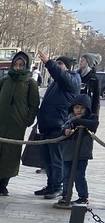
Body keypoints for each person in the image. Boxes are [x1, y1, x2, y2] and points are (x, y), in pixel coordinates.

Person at [0, 51, 39, 195]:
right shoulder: (4, 81)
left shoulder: (30, 83)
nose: (18, 68)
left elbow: (34, 104)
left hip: (16, 125)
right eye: (16, 64)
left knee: (10, 154)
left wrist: (27, 120)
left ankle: (4, 183)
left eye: (21, 65)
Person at [34, 51, 81, 198]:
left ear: (67, 67)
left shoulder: (72, 80)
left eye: (60, 64)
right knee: (47, 160)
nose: (58, 67)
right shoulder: (56, 83)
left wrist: (49, 63)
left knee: (56, 159)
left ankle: (58, 187)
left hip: (58, 125)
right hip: (47, 125)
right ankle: (50, 185)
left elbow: (61, 75)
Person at [55, 92, 98, 207]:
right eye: (77, 107)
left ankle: (83, 196)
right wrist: (64, 132)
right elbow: (60, 131)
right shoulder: (68, 119)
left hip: (82, 153)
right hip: (68, 152)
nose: (79, 110)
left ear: (87, 109)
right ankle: (65, 195)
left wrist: (77, 121)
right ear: (72, 108)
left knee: (79, 175)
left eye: (82, 108)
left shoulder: (91, 118)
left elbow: (94, 125)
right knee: (66, 175)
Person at [78, 53, 101, 117]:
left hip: (86, 111)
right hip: (74, 110)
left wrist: (95, 117)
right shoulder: (75, 75)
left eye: (83, 60)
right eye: (80, 59)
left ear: (89, 63)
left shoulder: (94, 79)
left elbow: (96, 102)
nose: (80, 61)